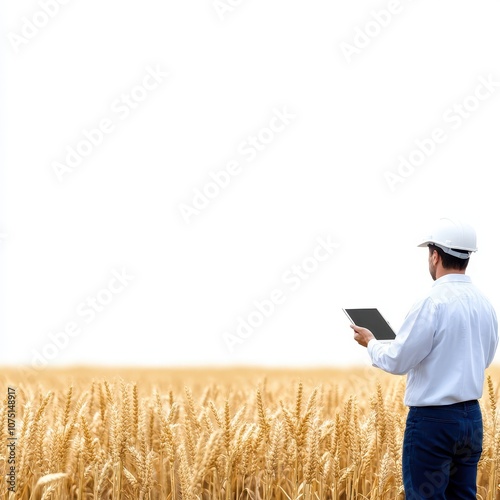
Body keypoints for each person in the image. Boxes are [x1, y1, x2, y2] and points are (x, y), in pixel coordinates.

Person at [351, 218, 498, 499]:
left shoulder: (431, 302)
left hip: (433, 422)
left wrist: (370, 343)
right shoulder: (485, 304)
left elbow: (397, 361)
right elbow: (485, 358)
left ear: (435, 255)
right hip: (471, 419)